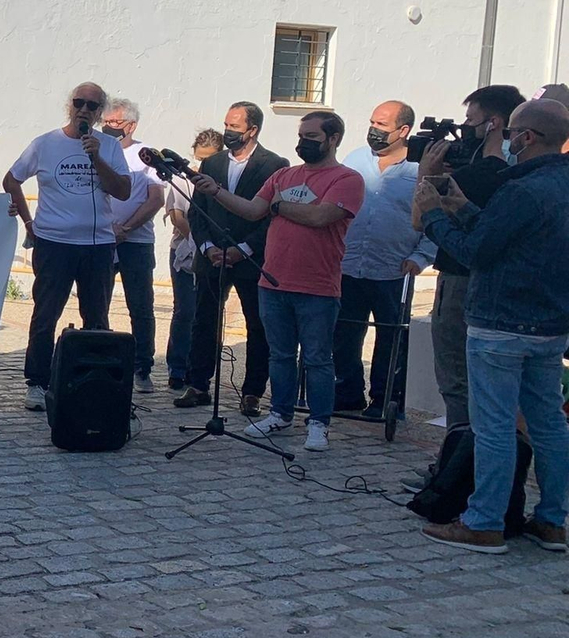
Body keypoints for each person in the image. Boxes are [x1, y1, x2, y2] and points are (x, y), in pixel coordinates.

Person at [414, 97, 569, 554]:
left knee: (494, 425)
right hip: (549, 325)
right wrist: (461, 206)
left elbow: (475, 253)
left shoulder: (521, 189)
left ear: (526, 137)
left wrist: (434, 215)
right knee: (549, 425)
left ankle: (483, 521)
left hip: (501, 325)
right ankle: (552, 521)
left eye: (514, 134)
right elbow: (504, 237)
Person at [193, 111, 364, 452]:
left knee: (317, 358)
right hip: (272, 282)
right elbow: (253, 210)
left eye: (312, 138)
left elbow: (320, 216)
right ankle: (280, 413)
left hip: (317, 285)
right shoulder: (285, 175)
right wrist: (216, 192)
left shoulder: (347, 179)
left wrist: (279, 207)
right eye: (301, 136)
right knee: (280, 355)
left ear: (333, 140)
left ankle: (318, 424)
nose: (303, 143)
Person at [3, 82, 131, 411]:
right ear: (69, 106)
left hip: (98, 244)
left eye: (92, 105)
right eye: (79, 103)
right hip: (54, 243)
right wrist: (29, 223)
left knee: (97, 316)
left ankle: (94, 382)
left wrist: (97, 157)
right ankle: (36, 382)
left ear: (100, 113)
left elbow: (122, 191)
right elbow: (11, 179)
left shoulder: (109, 147)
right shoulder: (45, 144)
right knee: (45, 314)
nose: (84, 110)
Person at [419, 85, 525, 430]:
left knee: (455, 376)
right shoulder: (518, 176)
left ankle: (456, 465)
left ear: (493, 123)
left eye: (470, 120)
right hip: (499, 289)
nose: (464, 129)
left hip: (459, 283)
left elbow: (418, 220)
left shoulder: (475, 176)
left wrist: (426, 174)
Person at [176, 103, 288, 416]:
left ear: (252, 130)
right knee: (204, 321)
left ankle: (252, 391)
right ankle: (198, 384)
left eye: (235, 127)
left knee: (258, 325)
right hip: (212, 257)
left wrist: (244, 249)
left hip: (250, 259)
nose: (228, 132)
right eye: (226, 124)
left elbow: (270, 217)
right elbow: (196, 210)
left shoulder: (275, 164)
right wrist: (207, 246)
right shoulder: (210, 163)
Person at [332, 101, 435, 419]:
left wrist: (420, 257)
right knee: (344, 334)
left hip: (394, 270)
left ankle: (384, 399)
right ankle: (347, 394)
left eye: (382, 125)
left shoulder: (420, 170)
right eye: (372, 122)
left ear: (403, 131)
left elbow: (434, 217)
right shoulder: (354, 160)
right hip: (348, 265)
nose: (374, 130)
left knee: (391, 338)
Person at [100, 98, 165, 393]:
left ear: (131, 125)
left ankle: (142, 368)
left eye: (115, 122)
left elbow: (156, 199)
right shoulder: (97, 151)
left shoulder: (146, 156)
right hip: (100, 239)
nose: (109, 127)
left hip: (136, 242)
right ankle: (97, 360)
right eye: (107, 121)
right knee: (97, 302)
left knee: (140, 306)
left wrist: (126, 228)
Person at [163, 129, 223, 392]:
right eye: (198, 159)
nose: (201, 165)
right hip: (185, 249)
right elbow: (177, 215)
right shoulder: (183, 178)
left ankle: (199, 370)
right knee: (184, 310)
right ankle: (177, 367)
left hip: (214, 253)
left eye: (208, 159)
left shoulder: (221, 179)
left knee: (207, 313)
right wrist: (196, 240)